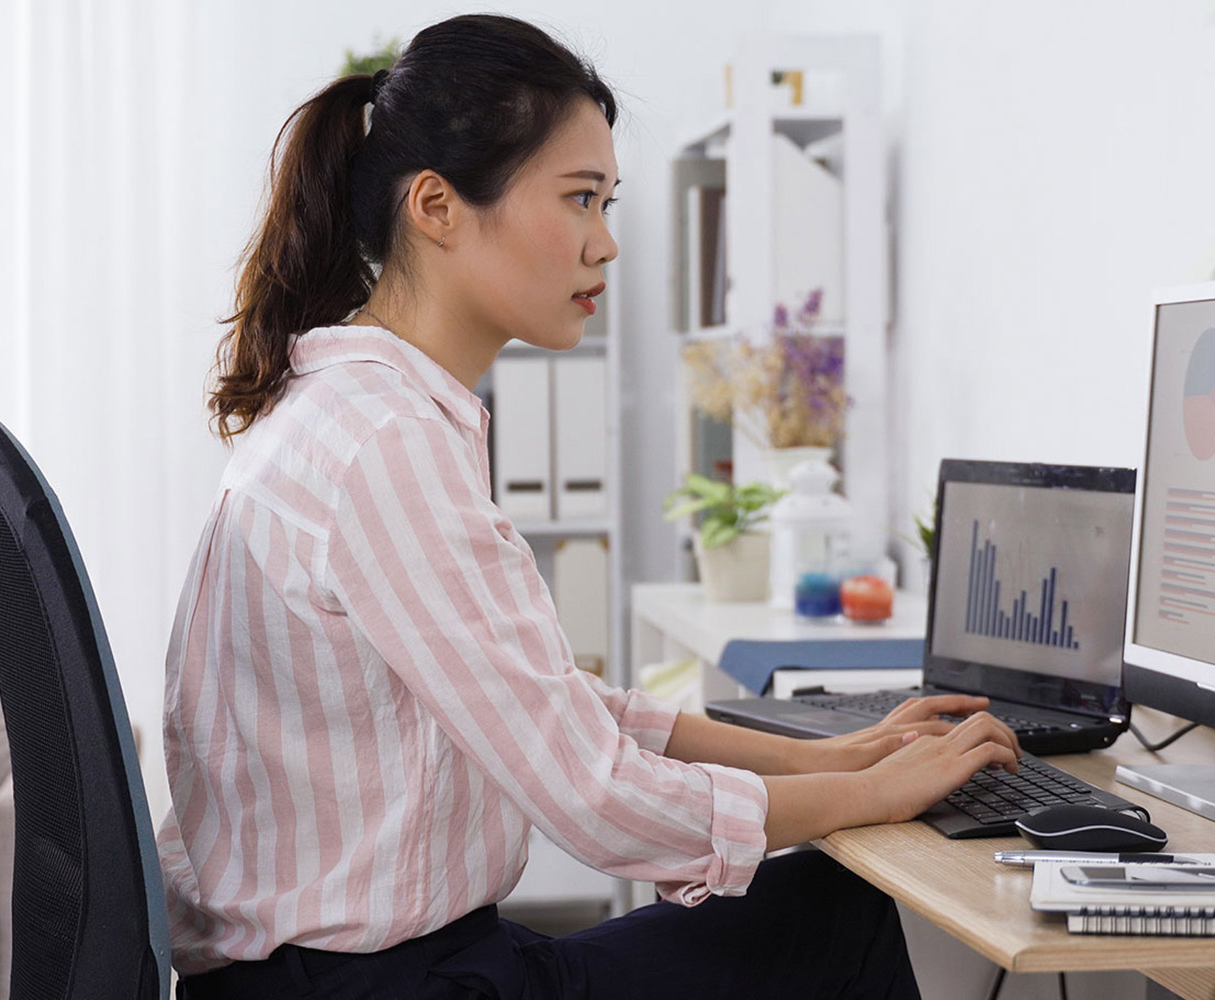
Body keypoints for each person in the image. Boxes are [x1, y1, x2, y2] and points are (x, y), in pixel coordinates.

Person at [159, 13, 1021, 999]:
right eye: (579, 199)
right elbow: (592, 796)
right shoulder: (382, 444)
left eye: (606, 202)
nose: (605, 244)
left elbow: (557, 706)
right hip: (375, 986)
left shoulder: (354, 412)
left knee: (828, 901)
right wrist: (864, 792)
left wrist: (829, 752)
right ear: (436, 207)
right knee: (842, 914)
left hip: (351, 972)